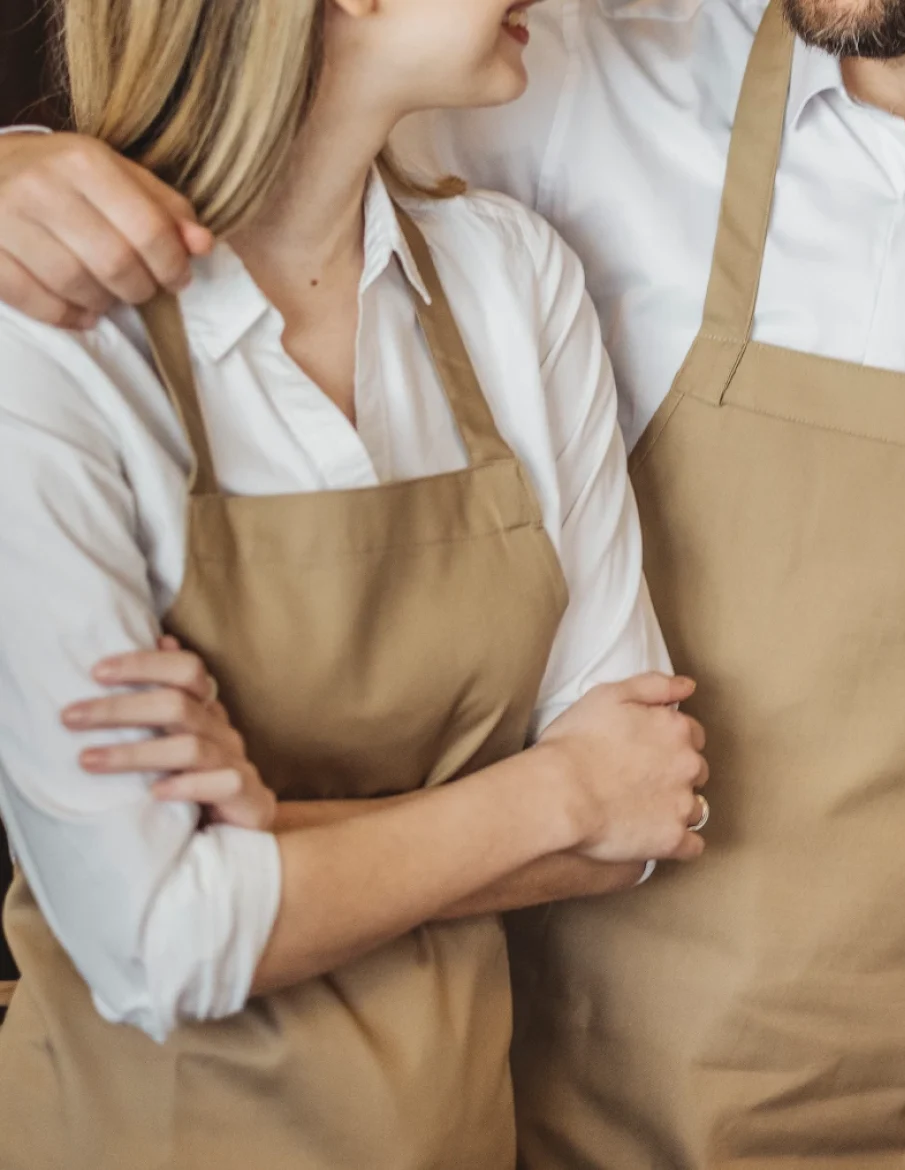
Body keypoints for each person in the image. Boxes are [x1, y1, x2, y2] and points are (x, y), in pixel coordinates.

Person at [2, 0, 905, 1166]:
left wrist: (261, 860)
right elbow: (259, 90)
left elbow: (637, 795)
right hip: (535, 1122)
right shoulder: (573, 72)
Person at [0, 2, 713, 1169]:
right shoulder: (47, 338)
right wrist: (552, 796)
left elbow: (640, 807)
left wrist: (266, 847)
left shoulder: (513, 280)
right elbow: (155, 940)